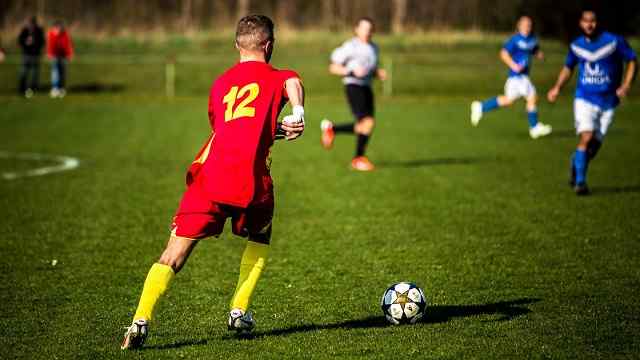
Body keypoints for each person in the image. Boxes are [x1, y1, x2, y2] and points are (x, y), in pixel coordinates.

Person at [121, 15, 305, 349]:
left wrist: (270, 130)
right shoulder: (278, 76)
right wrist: (298, 112)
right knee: (261, 234)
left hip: (210, 179)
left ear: (237, 46)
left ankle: (139, 320)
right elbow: (293, 83)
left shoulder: (220, 84)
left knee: (173, 254)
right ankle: (239, 308)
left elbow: (229, 129)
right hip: (251, 181)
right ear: (269, 46)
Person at [547, 10, 636, 195]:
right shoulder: (576, 46)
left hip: (609, 102)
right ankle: (580, 183)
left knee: (593, 148)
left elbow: (632, 61)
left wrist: (626, 85)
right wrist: (557, 87)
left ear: (598, 22)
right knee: (586, 138)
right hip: (584, 99)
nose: (589, 24)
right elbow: (568, 68)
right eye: (586, 21)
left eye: (593, 21)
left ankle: (575, 163)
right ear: (580, 23)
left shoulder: (614, 41)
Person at [321, 17, 387, 171]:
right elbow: (332, 67)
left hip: (366, 87)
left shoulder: (374, 48)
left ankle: (332, 129)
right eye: (364, 28)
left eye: (370, 29)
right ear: (356, 29)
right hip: (353, 86)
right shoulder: (350, 47)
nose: (367, 32)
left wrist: (378, 73)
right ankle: (358, 159)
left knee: (367, 125)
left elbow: (370, 70)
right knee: (367, 123)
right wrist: (351, 71)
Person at [471, 16, 552, 139]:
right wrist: (513, 65)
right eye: (525, 25)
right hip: (516, 77)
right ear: (519, 26)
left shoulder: (532, 40)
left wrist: (539, 55)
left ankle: (481, 107)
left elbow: (534, 50)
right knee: (529, 97)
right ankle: (534, 127)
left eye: (529, 25)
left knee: (513, 100)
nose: (527, 27)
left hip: (523, 76)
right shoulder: (515, 40)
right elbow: (503, 54)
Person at [17, 16, 45, 98]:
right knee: (24, 72)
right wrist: (26, 42)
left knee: (35, 73)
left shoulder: (39, 31)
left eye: (32, 23)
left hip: (35, 55)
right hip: (26, 55)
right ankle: (22, 88)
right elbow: (20, 41)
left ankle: (33, 88)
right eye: (30, 23)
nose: (31, 25)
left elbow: (42, 42)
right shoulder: (24, 30)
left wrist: (34, 42)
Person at [46, 20, 73, 98]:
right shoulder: (51, 34)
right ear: (54, 27)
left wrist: (69, 55)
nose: (58, 29)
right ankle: (55, 88)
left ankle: (61, 88)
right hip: (54, 56)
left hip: (63, 56)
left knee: (62, 73)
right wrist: (49, 54)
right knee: (55, 72)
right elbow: (50, 45)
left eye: (60, 28)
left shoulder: (65, 34)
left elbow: (68, 45)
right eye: (57, 28)